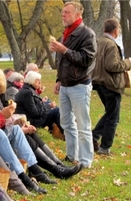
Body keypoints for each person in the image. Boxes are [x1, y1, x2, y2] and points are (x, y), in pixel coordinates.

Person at [0, 67, 82, 179]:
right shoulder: (26, 92)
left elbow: (2, 121)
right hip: (26, 122)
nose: (39, 83)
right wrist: (47, 106)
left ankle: (58, 165)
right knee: (51, 116)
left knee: (32, 134)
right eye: (38, 81)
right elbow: (34, 112)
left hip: (18, 124)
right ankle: (55, 168)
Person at [49, 1, 97, 168]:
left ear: (78, 15)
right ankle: (71, 156)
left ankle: (85, 161)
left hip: (79, 85)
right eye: (63, 12)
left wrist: (64, 50)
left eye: (67, 12)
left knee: (83, 124)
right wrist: (58, 79)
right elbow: (61, 61)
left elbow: (86, 59)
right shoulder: (65, 34)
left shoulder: (87, 34)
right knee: (67, 123)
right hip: (65, 86)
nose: (63, 15)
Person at [91, 19, 131, 155]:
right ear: (115, 30)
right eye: (119, 29)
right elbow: (112, 65)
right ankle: (104, 148)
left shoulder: (98, 42)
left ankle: (94, 136)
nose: (119, 32)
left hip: (99, 82)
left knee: (110, 114)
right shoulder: (110, 44)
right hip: (110, 84)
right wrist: (127, 63)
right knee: (113, 117)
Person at [15, 71, 64, 138]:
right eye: (38, 81)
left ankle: (58, 132)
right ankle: (66, 133)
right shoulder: (27, 93)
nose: (40, 83)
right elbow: (35, 113)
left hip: (32, 118)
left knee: (53, 107)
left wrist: (46, 104)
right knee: (56, 111)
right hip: (32, 121)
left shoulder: (28, 90)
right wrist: (49, 106)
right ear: (32, 81)